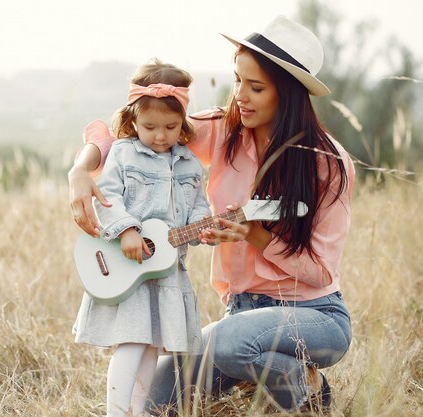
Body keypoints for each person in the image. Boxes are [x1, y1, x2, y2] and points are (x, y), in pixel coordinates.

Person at [69, 15, 354, 414]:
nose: (241, 95)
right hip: (239, 313)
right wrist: (80, 170)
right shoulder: (224, 131)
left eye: (255, 87)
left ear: (287, 93)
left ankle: (308, 391)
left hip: (314, 315)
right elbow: (130, 132)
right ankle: (260, 376)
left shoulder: (327, 163)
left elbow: (321, 272)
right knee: (155, 400)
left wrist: (255, 235)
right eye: (237, 80)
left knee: (227, 342)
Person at [72, 59, 213, 417]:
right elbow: (107, 196)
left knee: (151, 346)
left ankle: (138, 411)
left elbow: (197, 208)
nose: (161, 135)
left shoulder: (190, 165)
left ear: (183, 122)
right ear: (132, 119)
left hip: (168, 271)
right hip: (130, 268)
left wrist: (206, 227)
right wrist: (128, 229)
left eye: (171, 126)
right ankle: (115, 413)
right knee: (132, 343)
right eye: (150, 126)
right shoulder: (123, 153)